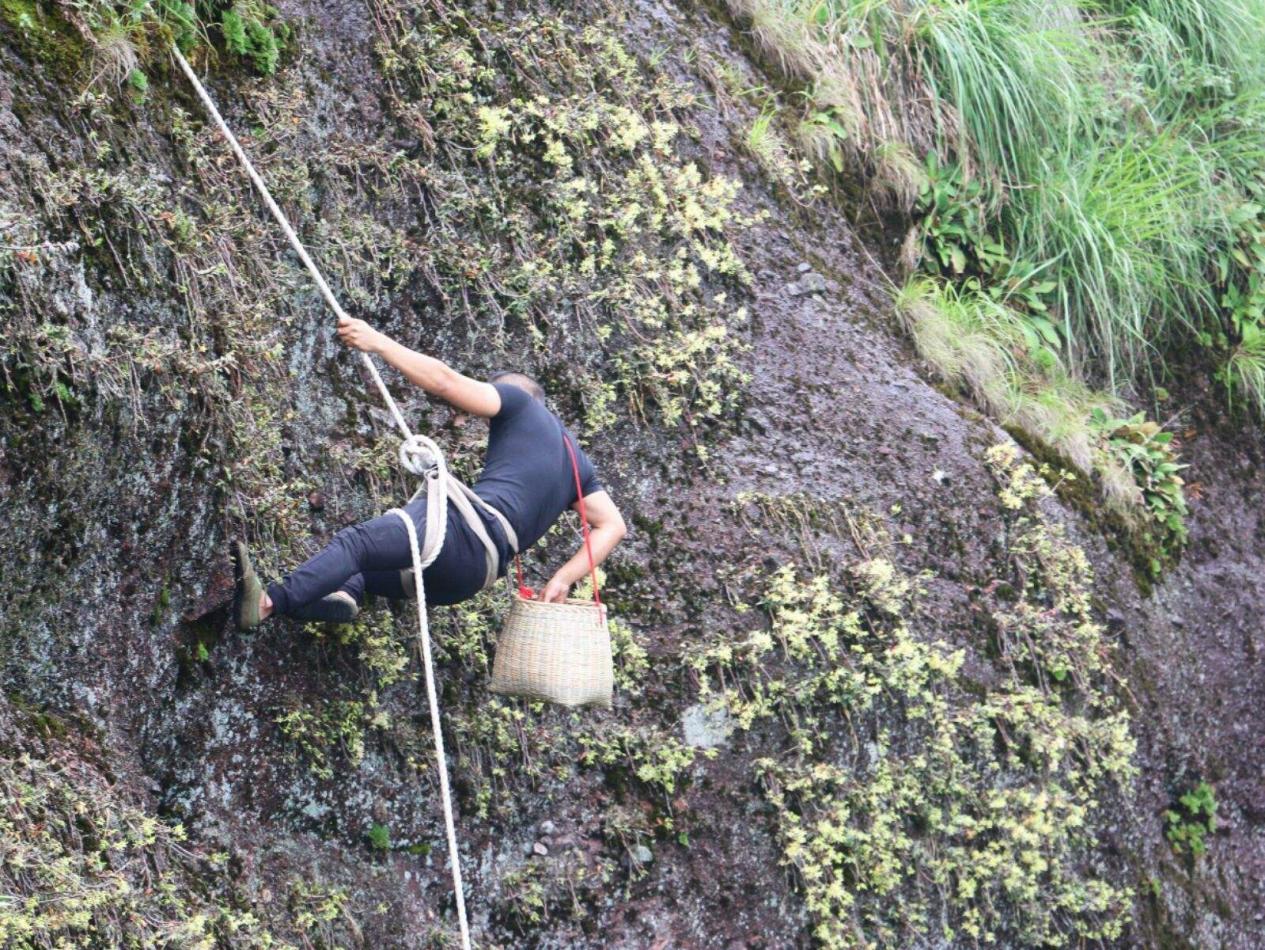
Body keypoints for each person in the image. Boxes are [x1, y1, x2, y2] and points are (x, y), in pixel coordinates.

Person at [231, 316, 627, 629]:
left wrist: (378, 342)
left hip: (463, 533)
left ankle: (267, 604)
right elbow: (612, 526)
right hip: (467, 579)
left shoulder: (520, 404)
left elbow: (446, 382)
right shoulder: (577, 463)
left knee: (356, 544)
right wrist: (563, 578)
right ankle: (344, 595)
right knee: (364, 568)